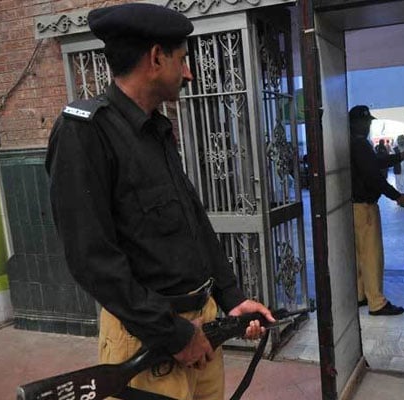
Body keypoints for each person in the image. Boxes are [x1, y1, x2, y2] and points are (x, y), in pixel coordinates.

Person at [45, 4, 274, 399]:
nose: (188, 73)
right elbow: (92, 259)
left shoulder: (157, 128)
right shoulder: (84, 133)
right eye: (182, 59)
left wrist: (232, 299)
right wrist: (172, 333)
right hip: (147, 338)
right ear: (155, 58)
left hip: (199, 329)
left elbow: (194, 226)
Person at [350, 105, 404, 316]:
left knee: (359, 254)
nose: (368, 125)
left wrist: (401, 156)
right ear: (356, 123)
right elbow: (373, 176)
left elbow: (374, 162)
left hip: (353, 206)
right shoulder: (359, 144)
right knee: (371, 255)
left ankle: (361, 295)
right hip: (365, 207)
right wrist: (397, 197)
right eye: (366, 122)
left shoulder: (353, 143)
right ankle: (376, 302)